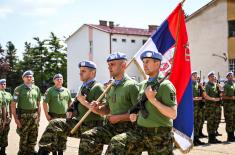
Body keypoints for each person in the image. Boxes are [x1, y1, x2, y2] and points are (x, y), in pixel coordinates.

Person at [109, 50, 177, 154]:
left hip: (159, 136)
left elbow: (173, 114)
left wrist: (153, 100)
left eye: (148, 62)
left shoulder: (165, 85)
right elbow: (140, 105)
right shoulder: (142, 84)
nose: (144, 65)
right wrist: (134, 113)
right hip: (140, 132)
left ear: (157, 63)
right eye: (144, 62)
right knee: (117, 142)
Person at [38, 60, 104, 155]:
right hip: (79, 122)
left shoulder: (98, 87)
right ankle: (43, 152)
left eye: (84, 71)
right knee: (54, 124)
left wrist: (85, 102)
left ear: (93, 73)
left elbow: (103, 112)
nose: (80, 73)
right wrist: (70, 110)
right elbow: (76, 102)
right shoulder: (83, 86)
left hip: (91, 125)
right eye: (80, 71)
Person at [79, 52, 139, 155]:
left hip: (129, 129)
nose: (109, 68)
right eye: (108, 65)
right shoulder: (111, 86)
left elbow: (139, 113)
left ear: (123, 65)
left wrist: (119, 117)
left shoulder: (131, 86)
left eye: (113, 64)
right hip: (111, 127)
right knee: (87, 136)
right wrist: (97, 108)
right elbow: (107, 109)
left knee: (115, 143)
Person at [11, 70, 41, 155]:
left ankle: (31, 151)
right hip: (23, 116)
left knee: (33, 136)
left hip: (34, 116)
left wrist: (39, 117)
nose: (29, 78)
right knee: (24, 137)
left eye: (30, 76)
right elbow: (13, 105)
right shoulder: (18, 89)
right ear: (23, 78)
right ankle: (22, 152)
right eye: (27, 77)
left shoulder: (36, 88)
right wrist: (16, 120)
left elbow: (39, 104)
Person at [205, 71, 222, 144]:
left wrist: (220, 89)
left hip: (217, 107)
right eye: (212, 76)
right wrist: (213, 99)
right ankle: (211, 138)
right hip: (210, 107)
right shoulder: (207, 85)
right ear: (209, 78)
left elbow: (220, 95)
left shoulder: (216, 85)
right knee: (211, 122)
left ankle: (214, 136)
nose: (213, 78)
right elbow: (205, 96)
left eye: (214, 76)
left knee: (216, 121)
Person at [191, 71, 206, 146]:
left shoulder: (198, 84)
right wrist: (196, 98)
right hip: (192, 107)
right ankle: (193, 139)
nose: (196, 76)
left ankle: (197, 138)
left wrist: (202, 87)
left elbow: (203, 94)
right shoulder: (189, 85)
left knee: (198, 122)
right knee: (193, 123)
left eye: (196, 75)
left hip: (199, 106)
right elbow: (187, 97)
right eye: (194, 75)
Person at [0, 79, 13, 155]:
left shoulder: (8, 94)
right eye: (1, 84)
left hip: (7, 116)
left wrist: (11, 116)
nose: (3, 85)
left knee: (5, 133)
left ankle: (3, 151)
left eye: (4, 84)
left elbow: (11, 105)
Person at [222, 72, 235, 142]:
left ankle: (232, 135)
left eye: (232, 76)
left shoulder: (234, 84)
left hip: (234, 106)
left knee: (233, 121)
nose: (231, 77)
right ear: (227, 77)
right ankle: (229, 137)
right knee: (229, 121)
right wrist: (231, 98)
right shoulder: (226, 86)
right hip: (228, 107)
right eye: (229, 76)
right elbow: (223, 96)